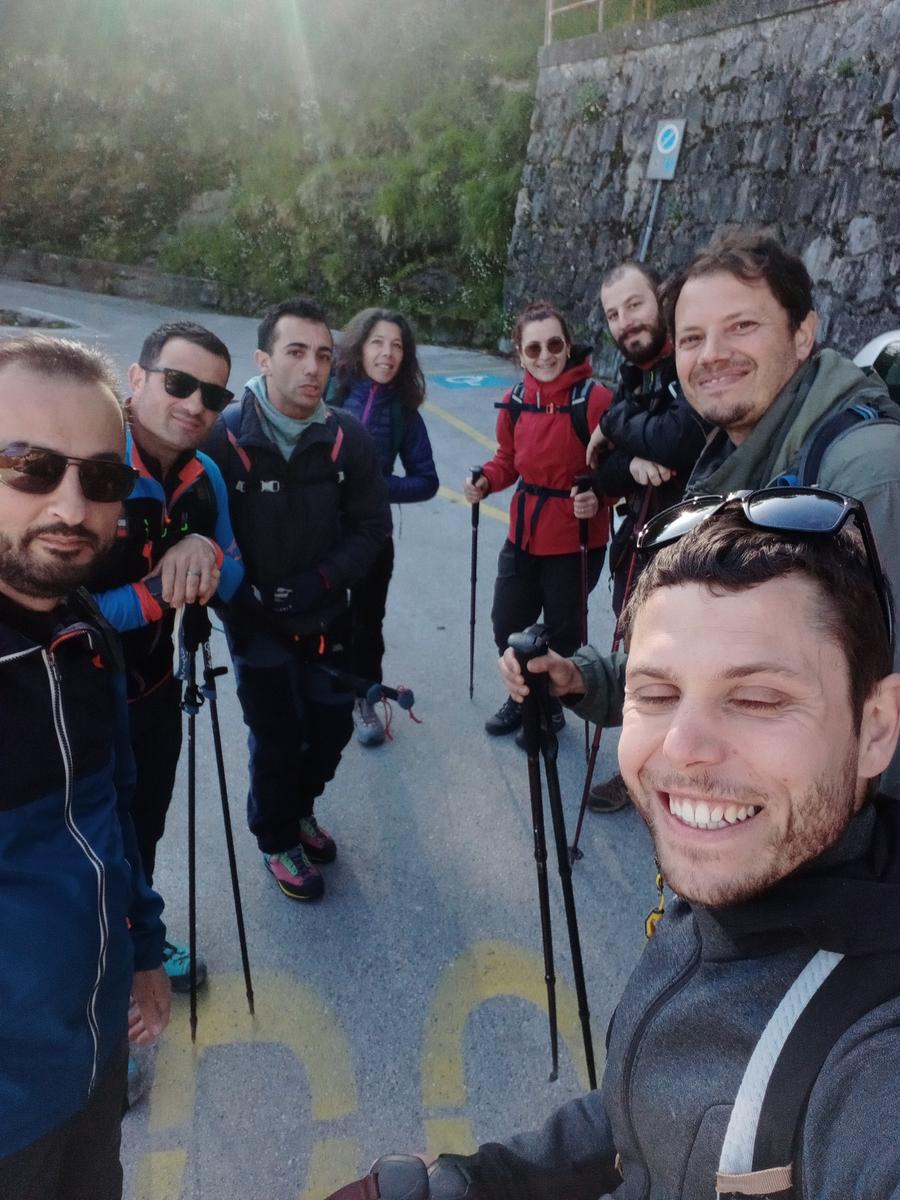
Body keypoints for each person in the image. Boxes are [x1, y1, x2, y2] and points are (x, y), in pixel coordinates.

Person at [334, 492, 900, 1198]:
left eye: (757, 699)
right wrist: (477, 1183)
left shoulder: (872, 1061)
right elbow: (647, 1115)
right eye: (656, 694)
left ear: (877, 727)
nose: (683, 748)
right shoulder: (749, 873)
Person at [550, 228, 900, 803]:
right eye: (692, 337)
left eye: (741, 326)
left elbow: (882, 719)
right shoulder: (741, 461)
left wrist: (835, 855)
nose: (711, 354)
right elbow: (718, 647)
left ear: (802, 334)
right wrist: (588, 679)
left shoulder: (865, 477)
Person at [0, 336, 170, 1199]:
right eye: (29, 467)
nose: (71, 505)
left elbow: (114, 811)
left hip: (94, 1064)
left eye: (102, 478)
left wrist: (145, 950)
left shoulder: (83, 629)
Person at [203, 297, 391, 902]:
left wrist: (322, 580)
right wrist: (238, 599)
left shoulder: (347, 438)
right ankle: (277, 837)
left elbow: (372, 528)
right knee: (277, 738)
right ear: (263, 360)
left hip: (328, 618)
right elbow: (197, 530)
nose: (313, 368)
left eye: (324, 355)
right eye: (297, 352)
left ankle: (301, 807)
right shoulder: (223, 436)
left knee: (330, 731)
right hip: (255, 625)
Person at [89, 321, 243, 992]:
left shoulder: (205, 476)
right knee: (77, 844)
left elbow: (235, 574)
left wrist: (201, 550)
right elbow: (58, 607)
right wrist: (156, 596)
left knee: (144, 825)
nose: (195, 405)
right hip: (71, 700)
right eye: (179, 383)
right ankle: (90, 964)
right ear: (136, 377)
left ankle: (136, 939)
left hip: (154, 692)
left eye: (213, 395)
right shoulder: (89, 459)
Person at [586, 260, 708, 812]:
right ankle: (641, 769)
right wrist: (632, 464)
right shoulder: (633, 374)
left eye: (634, 305)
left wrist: (612, 425)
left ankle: (680, 770)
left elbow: (677, 440)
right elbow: (603, 473)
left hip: (691, 549)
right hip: (636, 548)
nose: (625, 321)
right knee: (642, 665)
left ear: (660, 298)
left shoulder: (689, 361)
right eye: (613, 314)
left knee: (687, 669)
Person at [463, 300, 612, 747]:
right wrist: (486, 480)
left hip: (576, 535)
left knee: (563, 633)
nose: (545, 356)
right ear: (520, 353)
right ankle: (524, 695)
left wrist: (601, 495)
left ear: (567, 345)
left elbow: (618, 467)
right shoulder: (515, 401)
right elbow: (508, 460)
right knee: (506, 621)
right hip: (525, 532)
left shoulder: (594, 400)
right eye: (533, 349)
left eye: (554, 345)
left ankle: (548, 706)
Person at [330, 306, 438, 746]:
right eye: (377, 342)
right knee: (322, 618)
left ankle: (364, 699)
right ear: (359, 347)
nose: (387, 354)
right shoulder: (330, 393)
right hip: (319, 533)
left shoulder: (403, 414)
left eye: (397, 346)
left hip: (373, 536)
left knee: (366, 623)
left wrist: (373, 485)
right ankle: (322, 694)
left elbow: (426, 481)